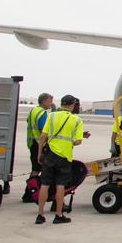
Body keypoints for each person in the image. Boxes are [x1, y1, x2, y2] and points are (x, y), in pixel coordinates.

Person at [35, 94, 84, 225]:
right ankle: (58, 214)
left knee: (45, 185)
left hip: (49, 154)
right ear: (72, 105)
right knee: (60, 186)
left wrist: (39, 154)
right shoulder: (77, 120)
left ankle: (40, 215)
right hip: (64, 156)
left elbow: (42, 137)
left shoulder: (51, 116)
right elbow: (78, 141)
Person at [23, 93, 53, 201]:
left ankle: (28, 193)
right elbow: (43, 130)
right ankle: (30, 193)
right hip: (39, 143)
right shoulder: (42, 113)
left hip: (32, 143)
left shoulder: (33, 110)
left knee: (35, 169)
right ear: (44, 101)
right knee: (38, 170)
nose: (51, 104)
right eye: (50, 101)